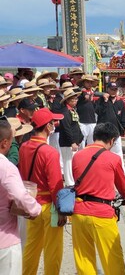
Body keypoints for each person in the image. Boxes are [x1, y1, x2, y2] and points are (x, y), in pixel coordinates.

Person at [71, 122, 125, 275]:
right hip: (102, 214)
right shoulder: (113, 159)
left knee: (84, 258)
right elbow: (123, 188)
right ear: (112, 140)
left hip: (79, 212)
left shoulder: (77, 156)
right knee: (112, 259)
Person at [19, 108, 67, 275]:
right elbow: (55, 185)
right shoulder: (49, 152)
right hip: (48, 206)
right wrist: (61, 210)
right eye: (53, 122)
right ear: (48, 126)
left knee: (32, 245)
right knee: (52, 249)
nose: (55, 124)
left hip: (31, 202)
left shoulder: (24, 146)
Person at [0, 120, 41, 275]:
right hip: (5, 239)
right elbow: (20, 195)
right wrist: (35, 209)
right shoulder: (6, 167)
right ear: (4, 143)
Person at [96, 82, 125, 175]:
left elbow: (123, 116)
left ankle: (121, 168)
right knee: (103, 150)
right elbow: (98, 112)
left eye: (115, 89)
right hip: (104, 130)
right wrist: (105, 101)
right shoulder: (101, 100)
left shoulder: (120, 102)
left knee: (118, 151)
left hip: (115, 130)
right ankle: (102, 168)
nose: (113, 91)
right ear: (107, 89)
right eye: (111, 89)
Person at [59, 89, 84, 186]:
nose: (76, 101)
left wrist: (79, 138)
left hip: (75, 141)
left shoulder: (73, 111)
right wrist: (72, 142)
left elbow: (76, 126)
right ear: (68, 101)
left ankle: (73, 180)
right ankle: (69, 182)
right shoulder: (65, 112)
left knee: (72, 161)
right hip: (67, 142)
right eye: (73, 99)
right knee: (67, 162)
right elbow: (66, 128)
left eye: (76, 99)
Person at [76, 75, 99, 149]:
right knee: (81, 143)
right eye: (87, 82)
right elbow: (85, 96)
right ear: (83, 83)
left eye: (91, 82)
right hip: (82, 121)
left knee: (92, 143)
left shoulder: (94, 92)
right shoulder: (79, 92)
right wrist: (85, 93)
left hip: (92, 121)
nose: (89, 84)